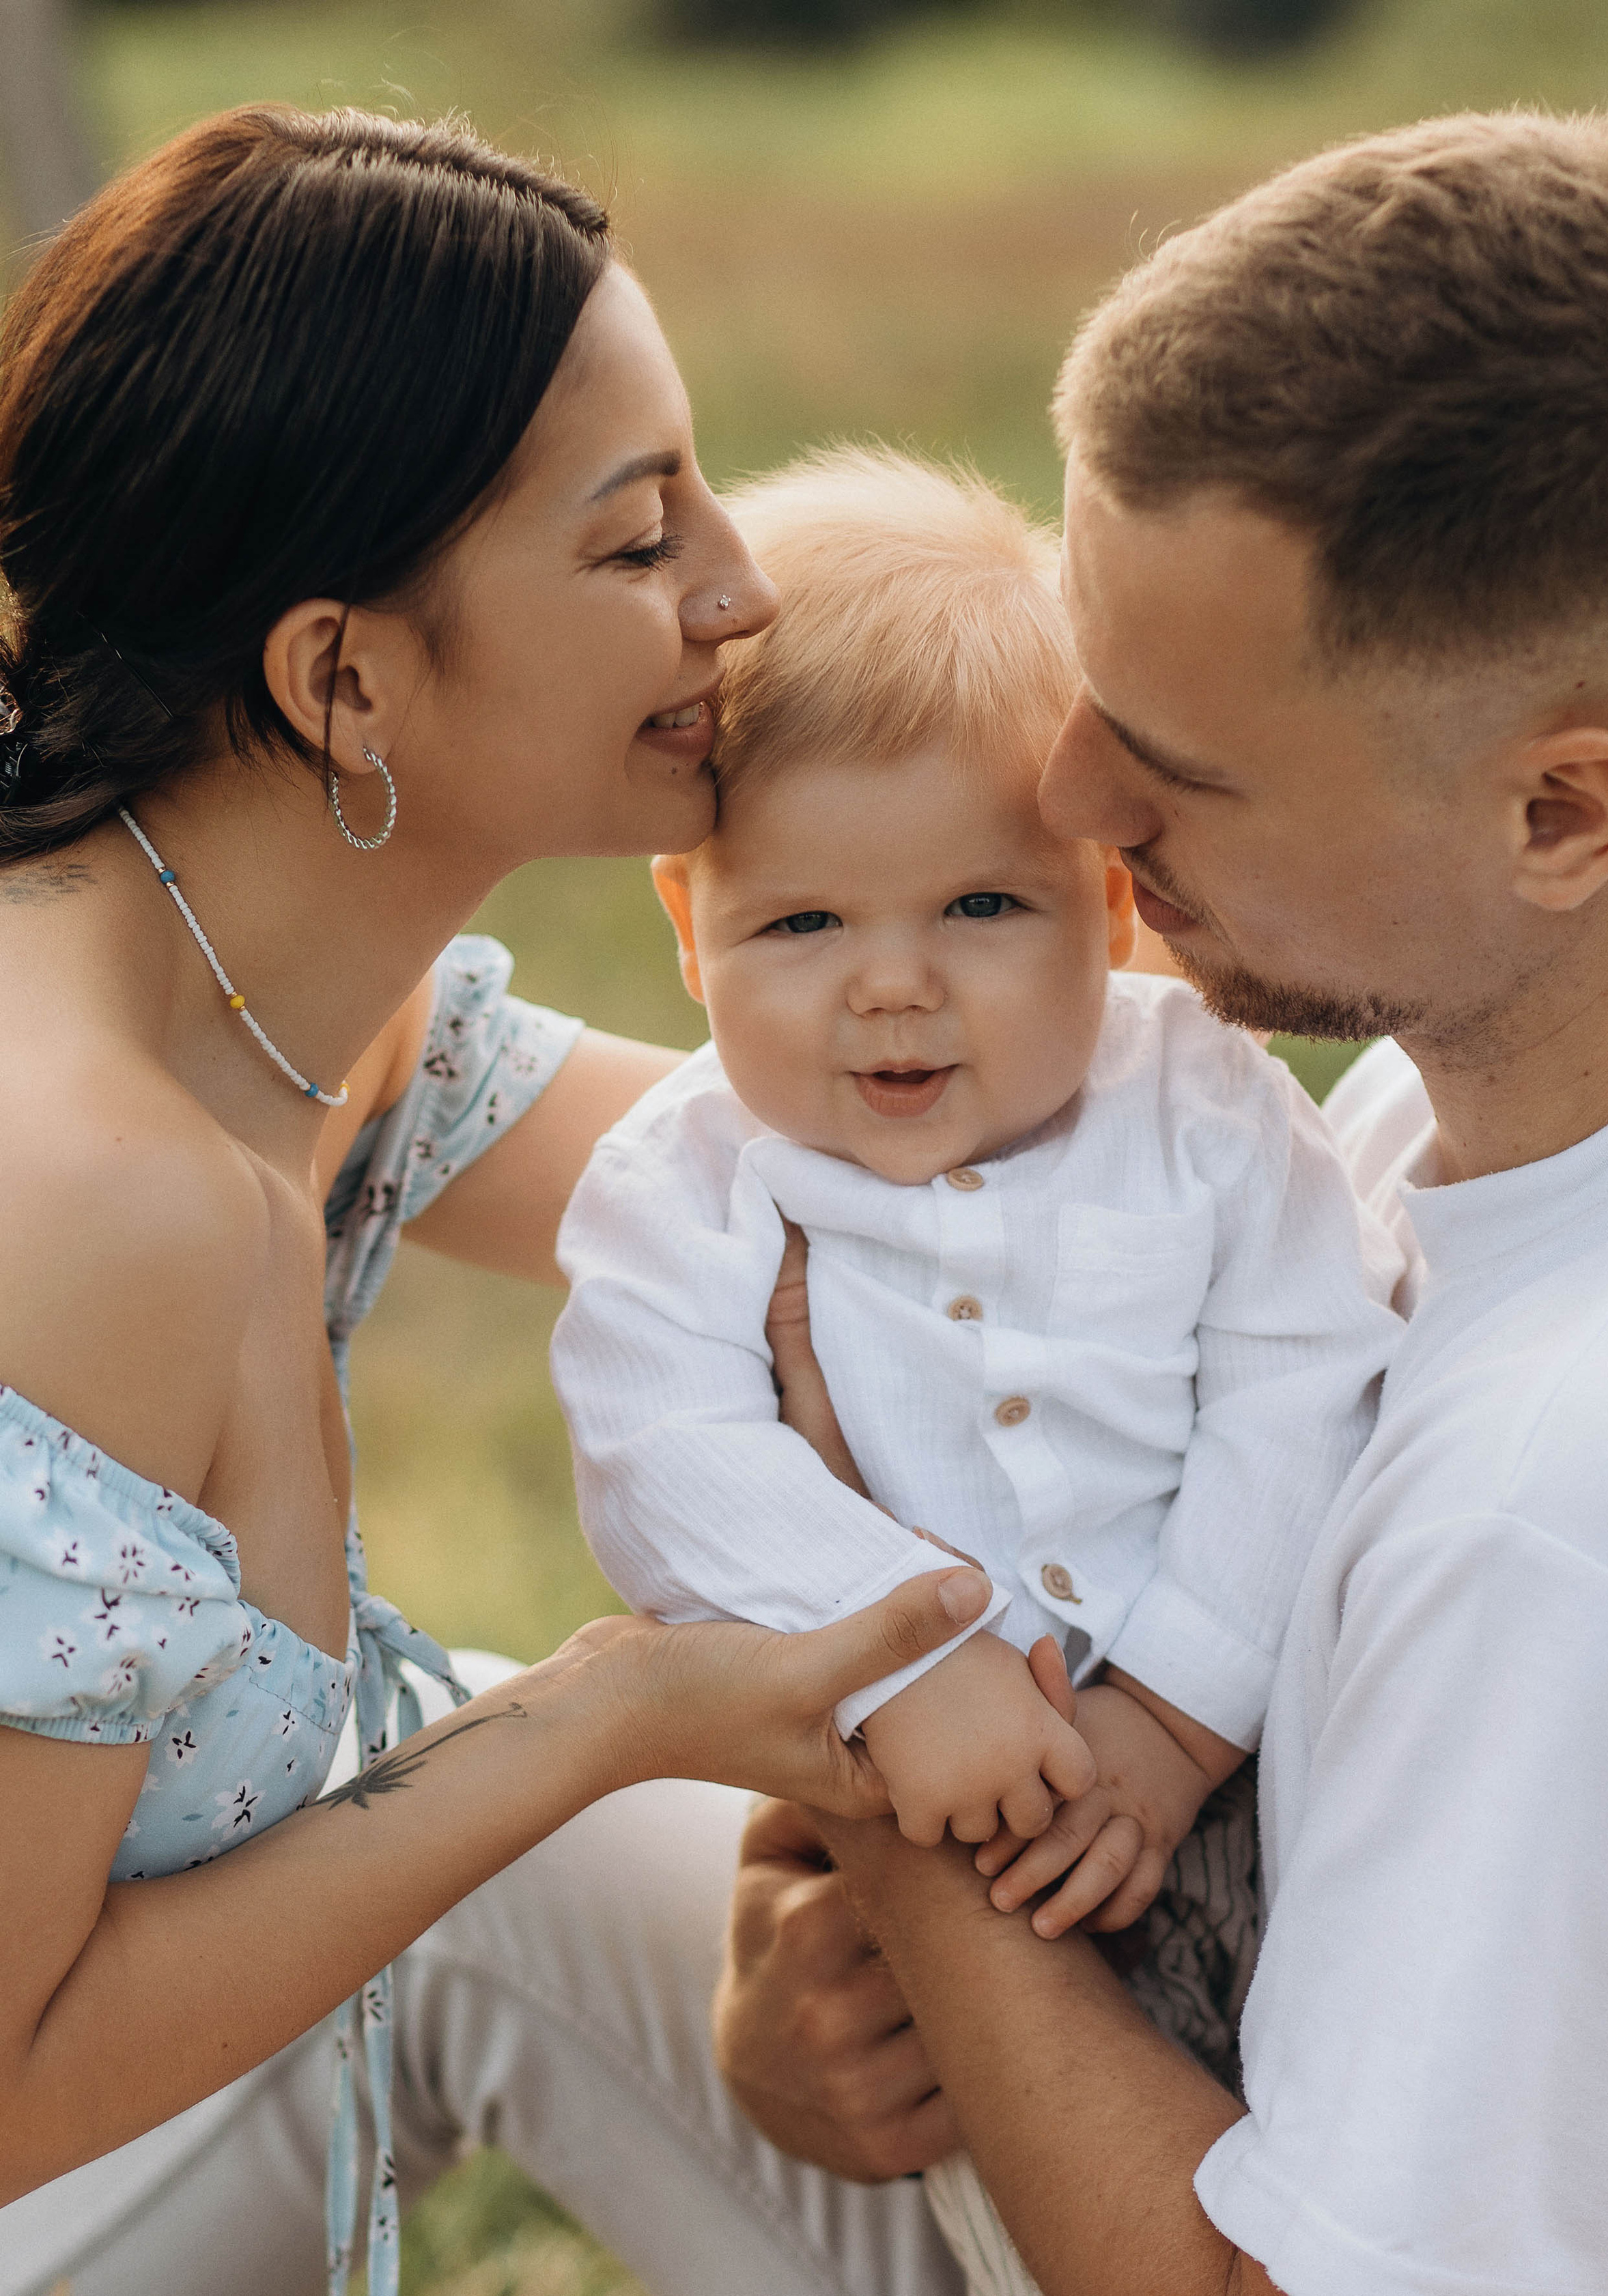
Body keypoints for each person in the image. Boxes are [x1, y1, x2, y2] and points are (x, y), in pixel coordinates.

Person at [707, 108, 1608, 2296]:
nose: (1069, 795)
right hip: (1167, 1990)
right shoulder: (1525, 1073)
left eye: (1173, 765)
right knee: (470, 1831)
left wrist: (887, 1753)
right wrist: (806, 1940)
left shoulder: (1580, 1511)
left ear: (1565, 809)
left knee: (392, 1891)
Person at [0, 103, 995, 2296]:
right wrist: (602, 1713)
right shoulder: (84, 1188)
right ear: (342, 677)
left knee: (878, 2000)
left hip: (249, 2037)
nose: (741, 588)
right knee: (550, 1811)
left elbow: (873, 1184)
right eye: (643, 540)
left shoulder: (290, 998)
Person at [550, 446, 1400, 2286]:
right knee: (1005, 2192)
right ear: (689, 931)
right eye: (802, 922)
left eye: (980, 908)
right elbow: (664, 1456)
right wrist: (901, 1643)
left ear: (1114, 905)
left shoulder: (1204, 1107)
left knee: (1310, 2152)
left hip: (1256, 1787)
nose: (892, 984)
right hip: (950, 1839)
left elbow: (1303, 1370)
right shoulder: (681, 1186)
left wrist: (1172, 1714)